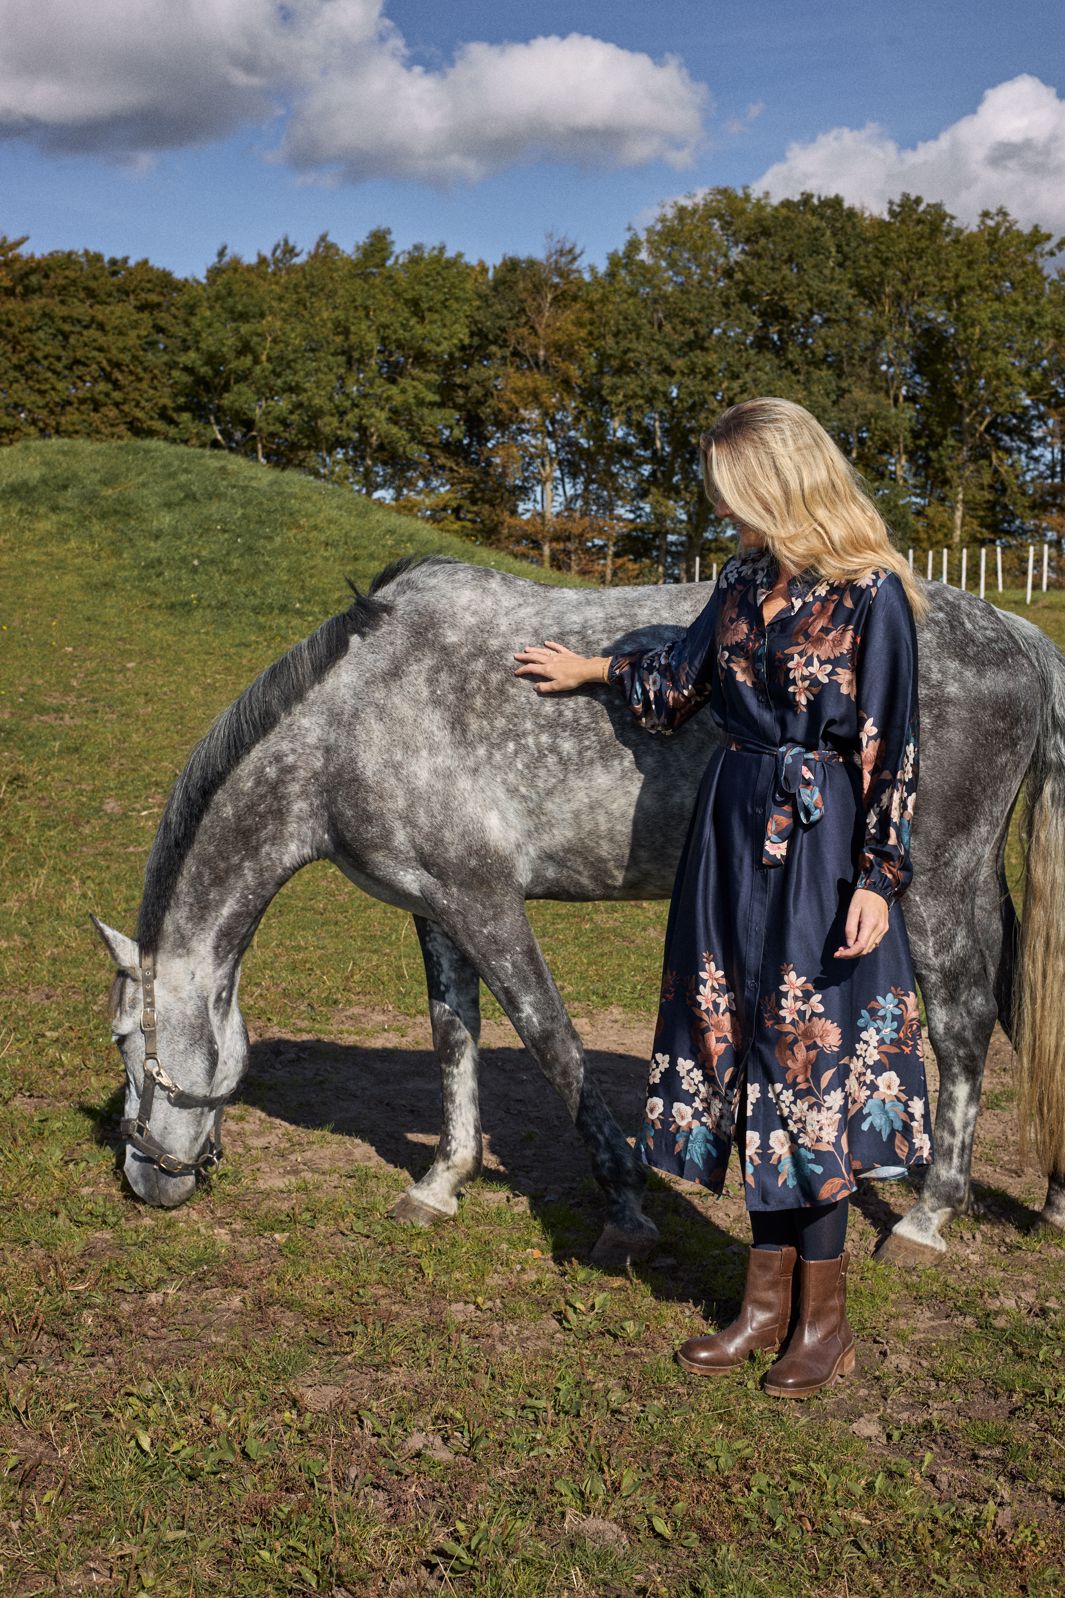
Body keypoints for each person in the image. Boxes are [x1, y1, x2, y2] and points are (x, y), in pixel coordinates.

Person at [513, 396, 933, 1400]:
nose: (723, 508)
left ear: (781, 481)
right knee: (741, 1048)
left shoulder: (870, 592)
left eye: (733, 490)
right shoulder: (741, 580)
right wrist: (594, 668)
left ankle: (822, 1321)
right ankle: (760, 1304)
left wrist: (878, 877)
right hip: (729, 836)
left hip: (822, 842)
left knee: (807, 1064)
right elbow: (679, 682)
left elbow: (893, 744)